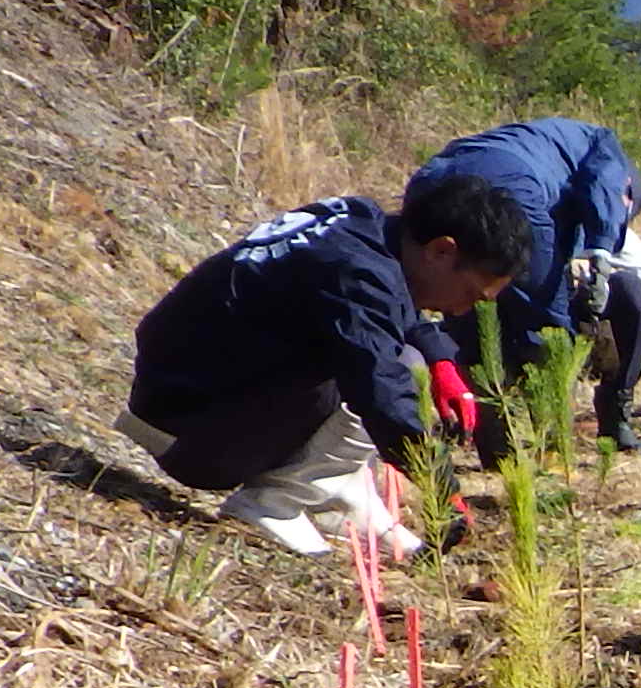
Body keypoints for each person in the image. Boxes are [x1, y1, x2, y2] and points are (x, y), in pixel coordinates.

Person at [122, 166, 527, 555]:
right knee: (393, 369)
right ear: (441, 250)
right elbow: (381, 389)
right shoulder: (358, 274)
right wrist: (441, 486)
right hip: (193, 433)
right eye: (472, 294)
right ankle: (273, 502)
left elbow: (391, 306)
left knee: (406, 356)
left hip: (180, 394)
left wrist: (441, 360)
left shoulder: (359, 223)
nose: (460, 311)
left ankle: (337, 491)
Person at [417, 115, 641, 450]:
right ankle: (546, 438)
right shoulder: (606, 151)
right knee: (546, 326)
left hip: (433, 179)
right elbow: (606, 191)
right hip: (508, 185)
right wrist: (601, 252)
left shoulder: (554, 155)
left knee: (463, 300)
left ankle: (493, 439)